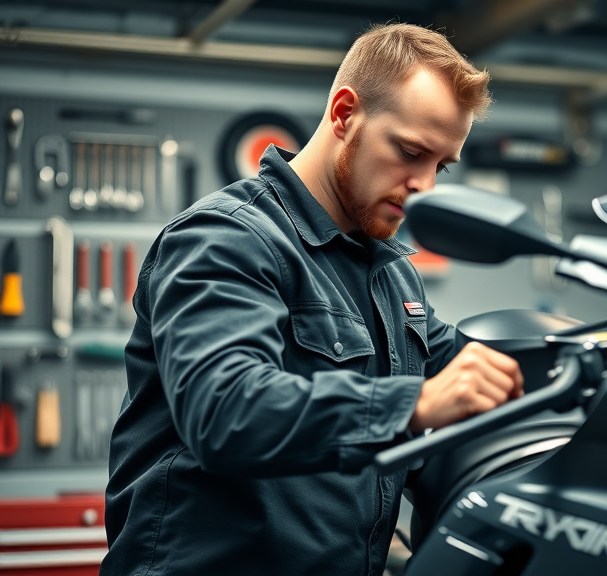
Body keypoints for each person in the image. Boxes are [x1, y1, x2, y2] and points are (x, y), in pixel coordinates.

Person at [101, 23, 524, 576]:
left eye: (440, 166)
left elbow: (477, 369)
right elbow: (227, 412)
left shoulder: (392, 278)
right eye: (411, 152)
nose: (425, 186)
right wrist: (413, 405)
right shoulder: (226, 239)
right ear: (345, 114)